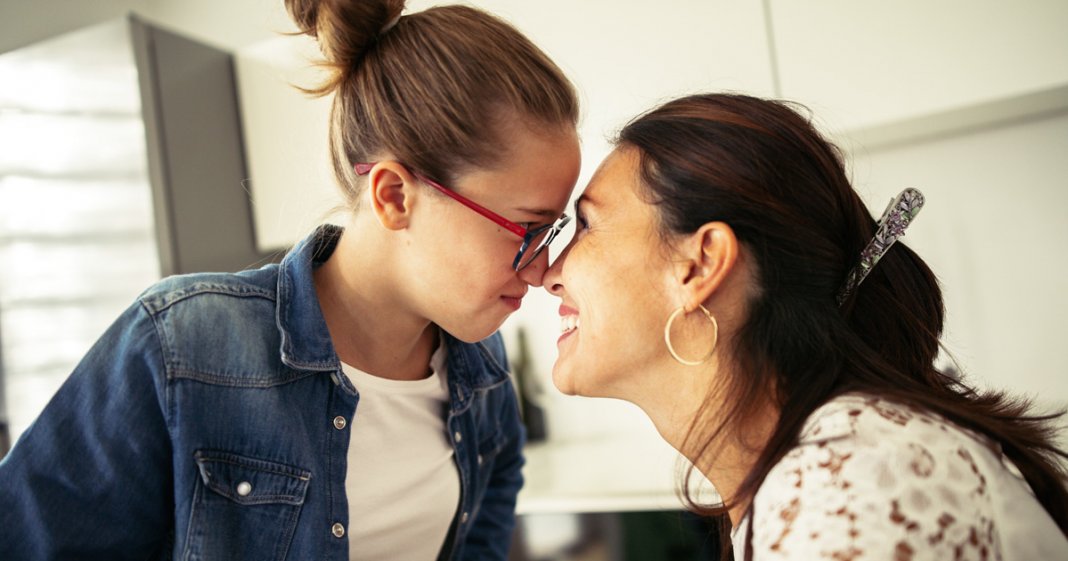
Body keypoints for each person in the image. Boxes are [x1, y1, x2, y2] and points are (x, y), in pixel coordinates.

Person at [0, 0, 581, 559]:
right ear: (395, 195)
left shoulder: (481, 365)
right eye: (525, 228)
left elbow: (495, 489)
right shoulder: (181, 344)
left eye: (550, 232)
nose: (541, 270)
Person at [543, 93, 1068, 560]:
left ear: (700, 265)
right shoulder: (828, 469)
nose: (548, 272)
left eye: (585, 225)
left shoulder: (853, 488)